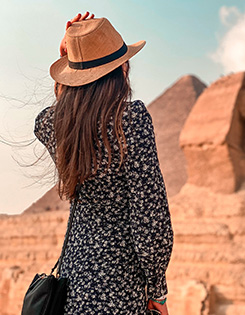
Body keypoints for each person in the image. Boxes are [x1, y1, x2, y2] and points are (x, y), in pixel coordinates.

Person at [33, 12, 174, 315]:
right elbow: (150, 217)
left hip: (73, 284)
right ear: (121, 69)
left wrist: (69, 64)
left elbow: (58, 113)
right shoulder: (130, 121)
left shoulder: (53, 127)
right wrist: (158, 291)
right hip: (120, 287)